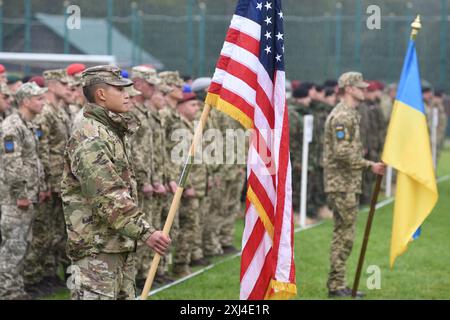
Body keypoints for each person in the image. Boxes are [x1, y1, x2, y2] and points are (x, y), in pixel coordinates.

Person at [60, 65, 171, 300]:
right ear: (101, 94)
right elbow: (107, 194)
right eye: (120, 90)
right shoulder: (90, 135)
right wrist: (146, 232)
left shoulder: (108, 131)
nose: (127, 95)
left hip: (115, 243)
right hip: (96, 250)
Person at [323, 72, 385, 298]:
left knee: (344, 234)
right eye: (360, 87)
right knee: (345, 236)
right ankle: (336, 285)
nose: (364, 90)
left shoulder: (350, 114)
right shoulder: (342, 116)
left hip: (347, 182)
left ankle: (338, 284)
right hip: (341, 183)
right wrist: (370, 165)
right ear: (348, 88)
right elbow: (342, 152)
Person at [0, 82, 48, 300]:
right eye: (38, 98)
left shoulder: (28, 124)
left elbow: (33, 161)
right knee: (13, 244)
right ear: (26, 101)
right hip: (15, 198)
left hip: (29, 194)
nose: (43, 102)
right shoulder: (12, 127)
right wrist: (21, 194)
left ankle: (16, 288)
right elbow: (12, 164)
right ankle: (8, 292)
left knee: (22, 243)